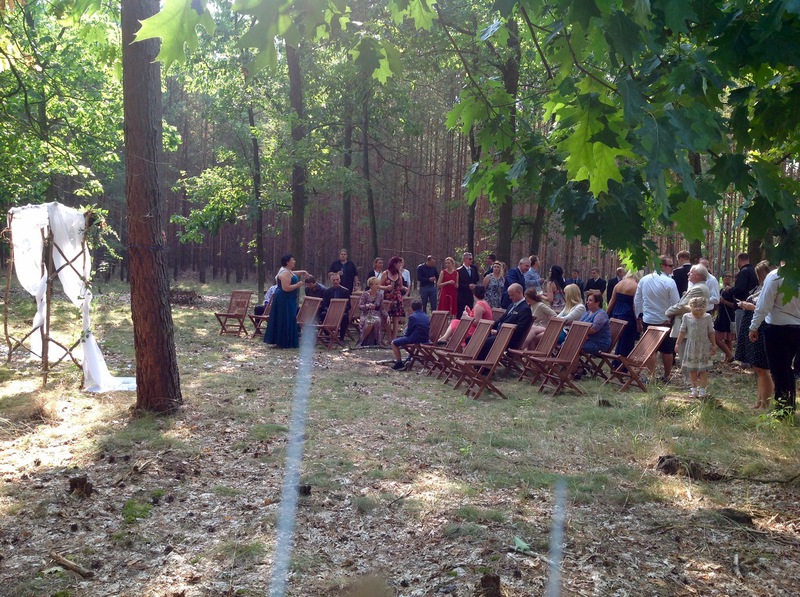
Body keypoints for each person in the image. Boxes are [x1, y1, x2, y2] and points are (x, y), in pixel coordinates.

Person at [749, 263, 800, 417]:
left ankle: (783, 409)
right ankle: (788, 406)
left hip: (778, 329)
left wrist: (754, 326)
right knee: (787, 369)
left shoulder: (774, 276)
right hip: (797, 329)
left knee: (779, 370)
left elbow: (764, 304)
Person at [734, 261, 773, 409]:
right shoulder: (759, 288)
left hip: (761, 330)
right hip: (753, 329)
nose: (759, 277)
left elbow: (768, 309)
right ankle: (759, 402)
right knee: (758, 368)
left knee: (763, 369)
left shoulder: (771, 288)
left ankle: (765, 404)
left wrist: (751, 307)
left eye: (760, 274)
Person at [634, 256, 680, 381]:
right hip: (665, 320)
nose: (673, 268)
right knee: (667, 350)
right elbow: (676, 303)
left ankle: (652, 376)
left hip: (648, 320)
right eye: (670, 265)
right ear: (661, 266)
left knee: (651, 350)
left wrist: (638, 316)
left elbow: (637, 300)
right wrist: (672, 317)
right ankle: (666, 376)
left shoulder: (644, 280)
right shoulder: (669, 282)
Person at [263, 254, 308, 349]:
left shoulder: (288, 271)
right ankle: (283, 341)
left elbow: (293, 274)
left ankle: (288, 341)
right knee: (285, 318)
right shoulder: (285, 273)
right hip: (284, 299)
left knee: (290, 317)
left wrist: (303, 272)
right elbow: (286, 288)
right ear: (287, 262)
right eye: (292, 260)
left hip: (289, 298)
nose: (294, 261)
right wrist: (298, 285)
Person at [477, 283, 533, 359]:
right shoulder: (511, 305)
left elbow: (520, 329)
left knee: (484, 343)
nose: (510, 297)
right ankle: (473, 361)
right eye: (509, 295)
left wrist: (499, 332)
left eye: (512, 295)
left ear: (519, 292)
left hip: (509, 339)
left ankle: (482, 365)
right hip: (499, 335)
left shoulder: (525, 309)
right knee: (473, 338)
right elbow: (501, 320)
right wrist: (489, 327)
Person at [676, 296, 716, 398]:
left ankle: (702, 390)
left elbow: (711, 332)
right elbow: (682, 331)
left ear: (705, 307)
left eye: (701, 307)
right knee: (692, 369)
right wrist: (677, 343)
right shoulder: (686, 317)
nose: (698, 309)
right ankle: (694, 389)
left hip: (704, 346)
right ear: (690, 307)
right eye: (695, 307)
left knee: (703, 369)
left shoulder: (707, 317)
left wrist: (713, 344)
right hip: (691, 346)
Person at [606, 270, 640, 359]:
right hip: (628, 316)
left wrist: (607, 314)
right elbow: (634, 306)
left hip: (616, 314)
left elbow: (612, 301)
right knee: (627, 342)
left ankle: (616, 361)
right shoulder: (635, 286)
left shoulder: (619, 284)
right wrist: (638, 321)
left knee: (618, 340)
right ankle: (622, 363)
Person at [391, 300, 431, 370]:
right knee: (413, 340)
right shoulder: (426, 316)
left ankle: (399, 362)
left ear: (412, 308)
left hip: (415, 338)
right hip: (425, 339)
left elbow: (409, 331)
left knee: (393, 343)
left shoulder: (412, 317)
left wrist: (404, 336)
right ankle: (408, 358)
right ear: (421, 307)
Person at [380, 256, 408, 341]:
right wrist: (386, 287)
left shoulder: (399, 273)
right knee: (387, 318)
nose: (400, 265)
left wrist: (405, 288)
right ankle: (389, 338)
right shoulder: (385, 273)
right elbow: (379, 286)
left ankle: (394, 339)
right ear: (394, 264)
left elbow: (400, 286)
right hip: (388, 298)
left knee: (396, 319)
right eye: (399, 263)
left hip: (397, 298)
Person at [732, 252, 759, 334]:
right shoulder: (754, 271)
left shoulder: (744, 272)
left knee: (741, 332)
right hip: (753, 306)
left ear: (739, 260)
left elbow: (740, 288)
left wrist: (730, 291)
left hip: (742, 305)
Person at [320, 272, 351, 342]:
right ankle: (327, 336)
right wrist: (328, 310)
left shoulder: (345, 291)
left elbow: (348, 306)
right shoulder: (327, 291)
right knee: (323, 315)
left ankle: (341, 338)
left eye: (337, 279)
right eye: (334, 280)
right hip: (330, 312)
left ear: (340, 280)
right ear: (331, 281)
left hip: (341, 312)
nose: (335, 281)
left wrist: (341, 311)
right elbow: (324, 304)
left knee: (345, 317)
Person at [357, 277, 388, 347]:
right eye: (376, 284)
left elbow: (382, 308)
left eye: (378, 284)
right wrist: (366, 306)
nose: (378, 286)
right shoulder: (365, 294)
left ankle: (377, 342)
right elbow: (360, 306)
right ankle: (362, 341)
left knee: (376, 320)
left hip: (376, 314)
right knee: (369, 323)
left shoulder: (380, 295)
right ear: (371, 285)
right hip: (366, 314)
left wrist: (387, 316)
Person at [579, 290, 611, 355]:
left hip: (598, 344)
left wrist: (577, 330)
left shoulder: (601, 314)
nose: (587, 302)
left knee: (573, 345)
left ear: (597, 303)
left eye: (590, 300)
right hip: (586, 340)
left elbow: (593, 329)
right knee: (567, 343)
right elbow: (579, 324)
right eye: (587, 300)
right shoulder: (588, 312)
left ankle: (571, 361)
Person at [715, 271, 736, 362]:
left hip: (730, 317)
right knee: (721, 338)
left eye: (729, 276)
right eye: (726, 276)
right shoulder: (720, 291)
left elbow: (735, 305)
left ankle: (729, 357)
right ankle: (729, 357)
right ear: (722, 278)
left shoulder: (733, 291)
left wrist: (724, 302)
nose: (727, 278)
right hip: (721, 317)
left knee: (727, 339)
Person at [456, 252, 480, 316]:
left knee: (470, 313)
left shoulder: (473, 270)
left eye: (471, 259)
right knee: (460, 313)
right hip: (462, 296)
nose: (471, 260)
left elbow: (475, 281)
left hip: (470, 296)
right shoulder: (459, 271)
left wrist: (474, 286)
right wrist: (467, 286)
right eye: (470, 259)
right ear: (465, 259)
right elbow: (458, 284)